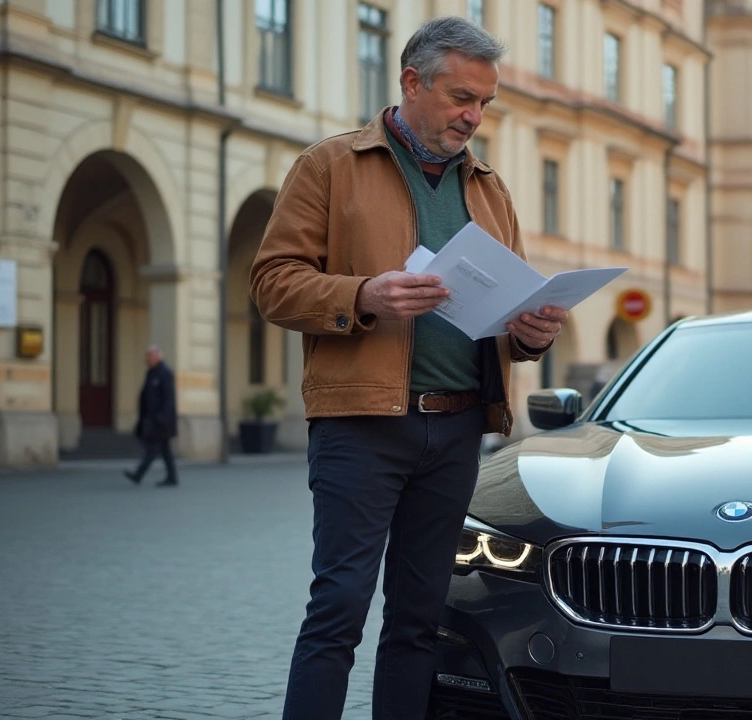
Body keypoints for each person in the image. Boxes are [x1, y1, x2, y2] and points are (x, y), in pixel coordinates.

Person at [249, 16, 566, 720]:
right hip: (360, 426)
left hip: (457, 430)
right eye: (460, 97)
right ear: (412, 82)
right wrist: (363, 294)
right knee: (337, 613)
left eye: (484, 103)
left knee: (419, 621)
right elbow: (271, 283)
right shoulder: (329, 165)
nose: (472, 117)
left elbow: (505, 324)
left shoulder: (489, 189)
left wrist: (532, 332)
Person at [124, 345, 178, 487]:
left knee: (153, 449)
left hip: (161, 420)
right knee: (165, 449)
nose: (147, 358)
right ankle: (172, 477)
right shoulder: (151, 373)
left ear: (158, 356)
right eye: (146, 355)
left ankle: (138, 474)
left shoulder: (165, 373)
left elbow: (169, 398)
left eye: (150, 355)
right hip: (152, 418)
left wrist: (163, 416)